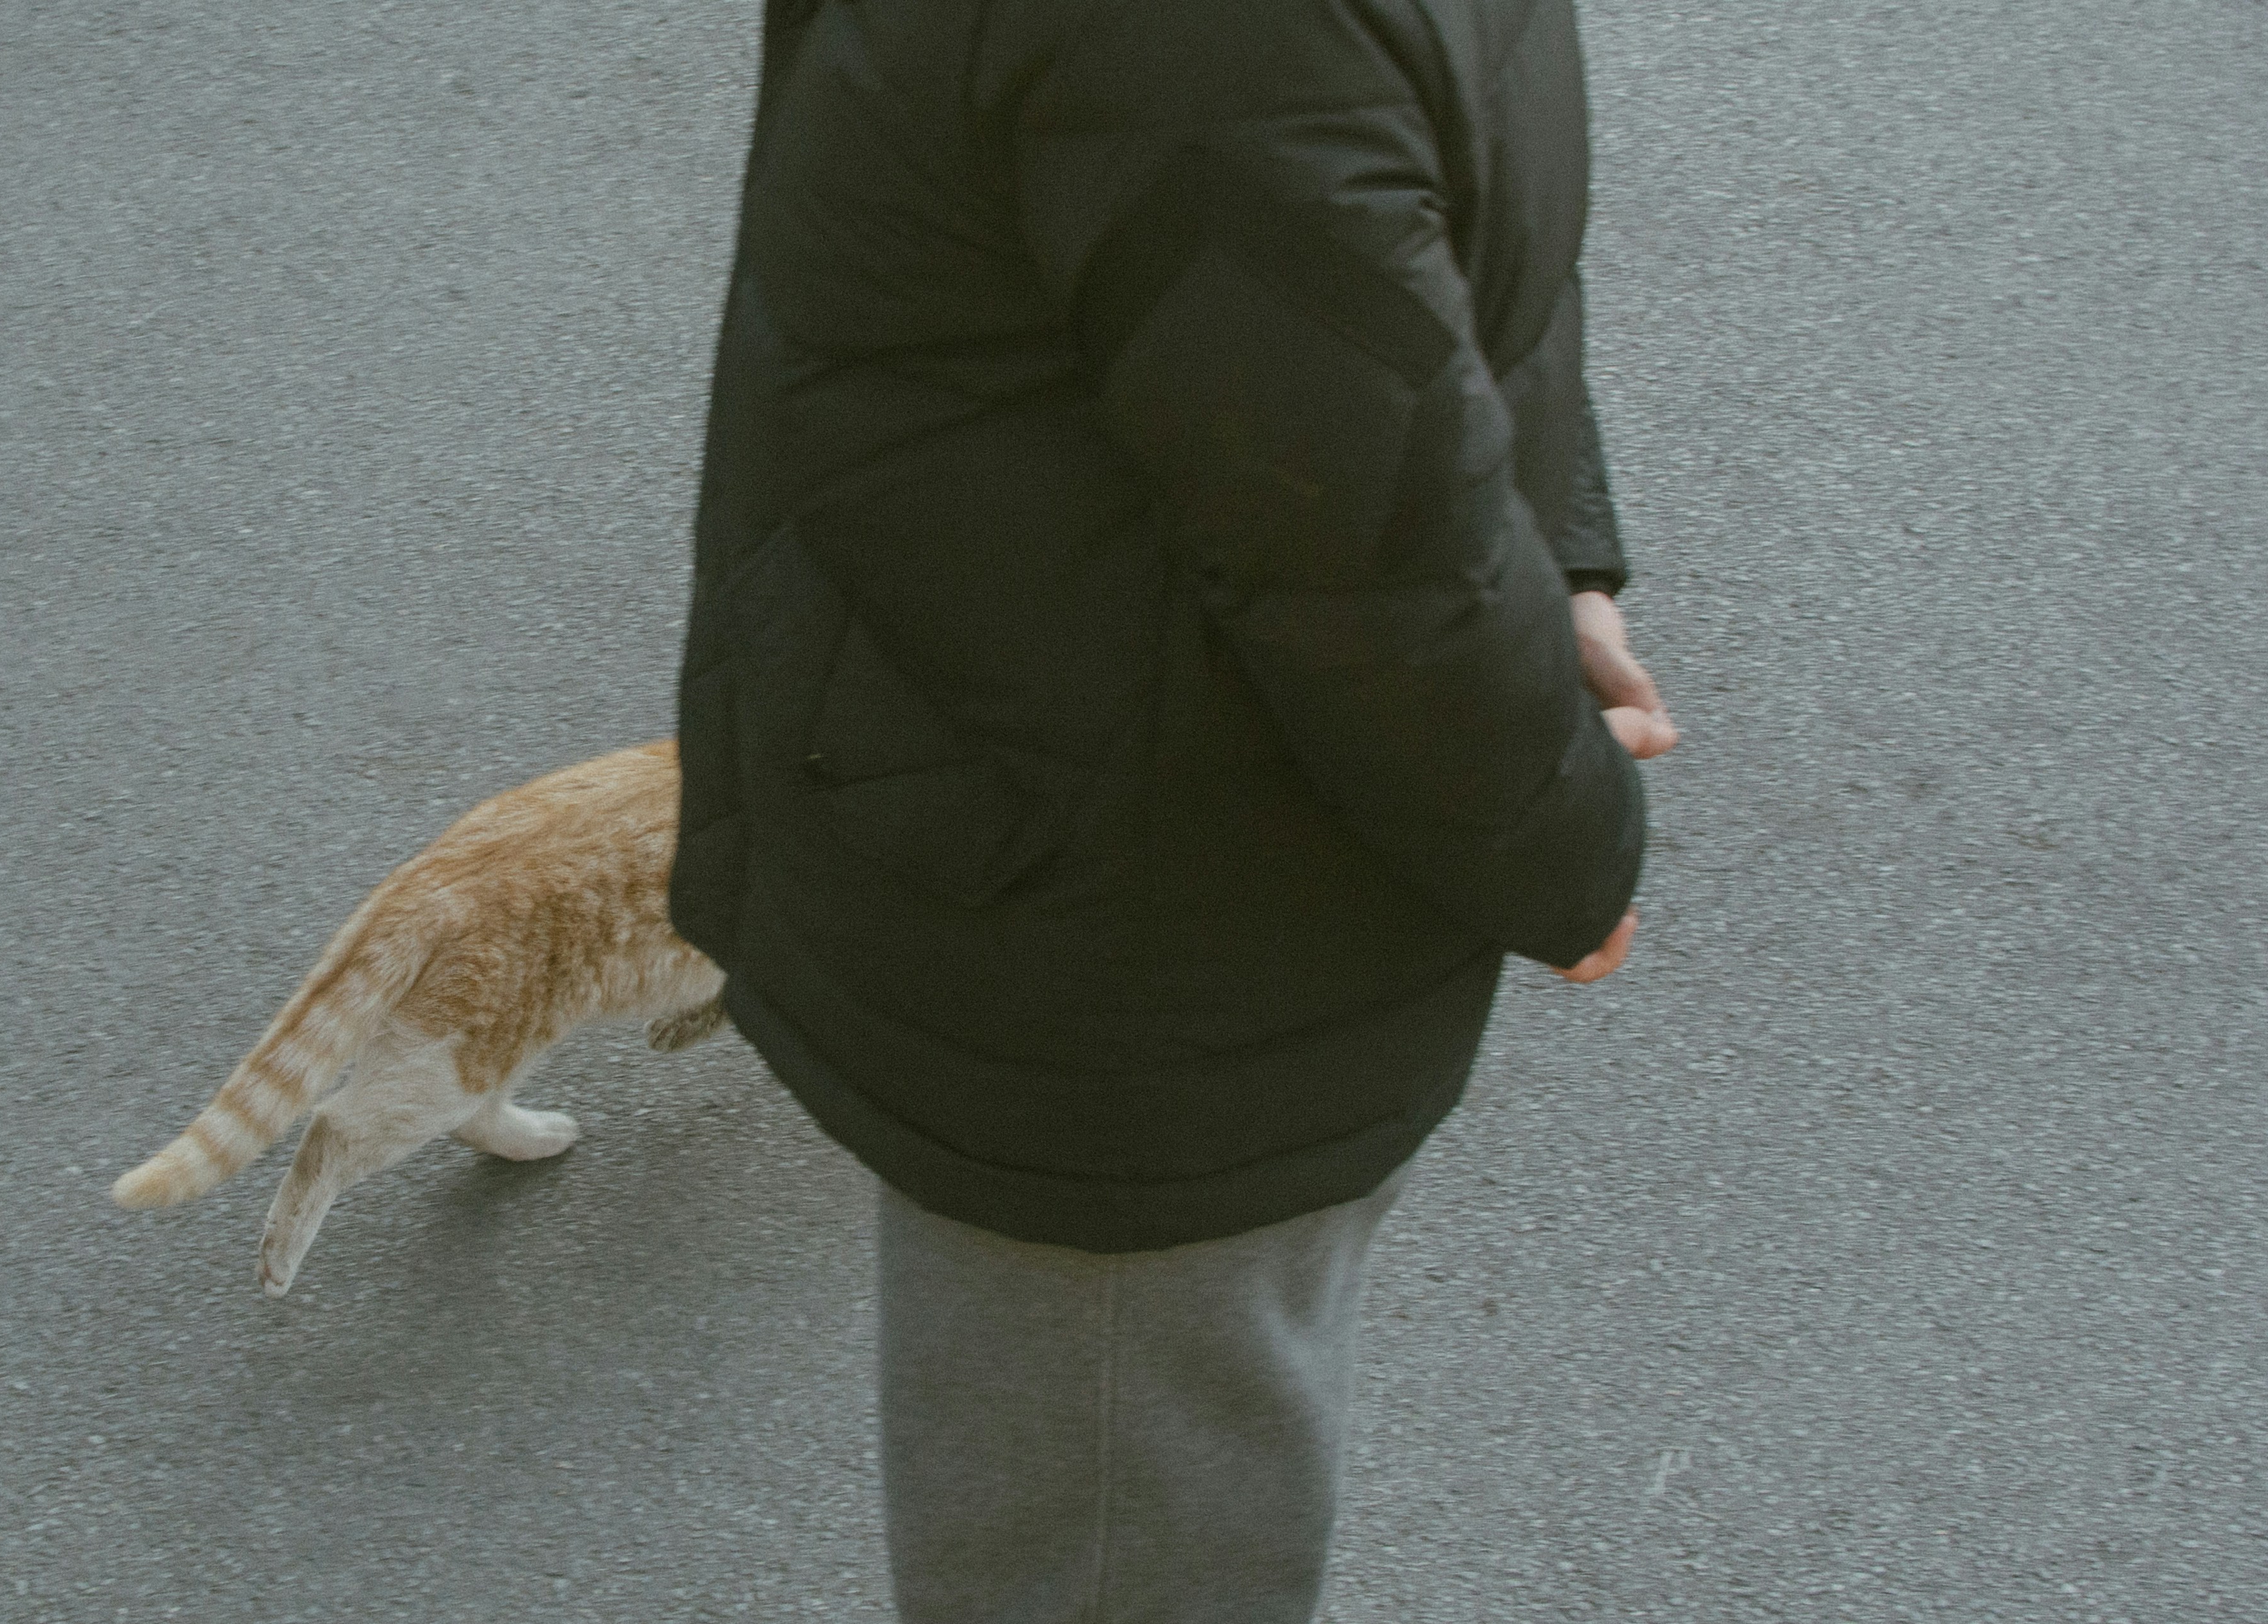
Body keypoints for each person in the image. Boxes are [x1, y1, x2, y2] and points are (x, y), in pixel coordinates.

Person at [666, 0, 1674, 1617]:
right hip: (1125, 918)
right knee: (1124, 1547)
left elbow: (1380, 251)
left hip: (1108, 807)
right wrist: (1566, 849)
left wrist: (1552, 537)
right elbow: (1356, 545)